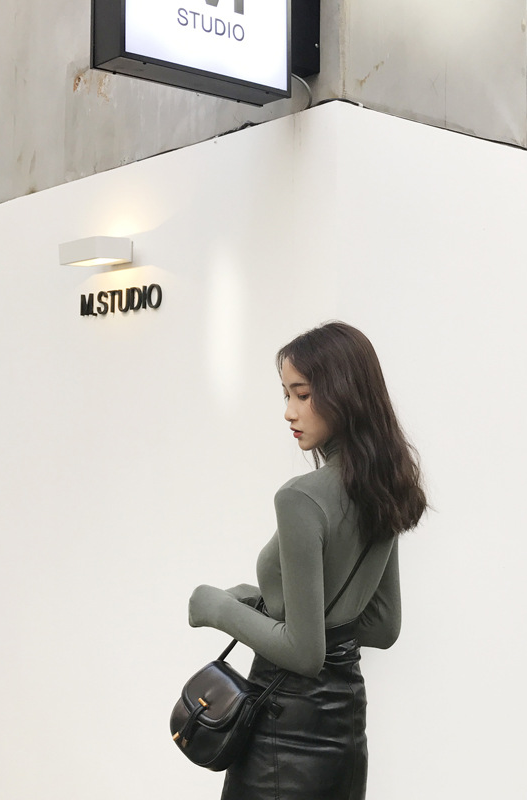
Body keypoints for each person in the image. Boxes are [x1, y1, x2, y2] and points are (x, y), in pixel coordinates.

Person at [188, 321, 427, 800]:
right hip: (345, 724)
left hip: (285, 728)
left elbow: (304, 652)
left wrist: (215, 608)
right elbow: (382, 626)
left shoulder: (301, 498)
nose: (289, 411)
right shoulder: (384, 485)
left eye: (302, 394)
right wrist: (267, 603)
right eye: (286, 395)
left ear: (345, 394)